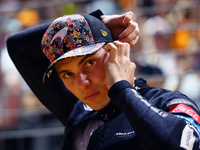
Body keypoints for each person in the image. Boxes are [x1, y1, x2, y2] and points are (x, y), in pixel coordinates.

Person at [7, 10, 200, 150]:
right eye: (68, 74)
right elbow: (19, 48)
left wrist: (123, 89)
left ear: (115, 52)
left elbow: (183, 144)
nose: (83, 83)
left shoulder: (166, 102)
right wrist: (96, 21)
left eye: (89, 62)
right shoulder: (79, 110)